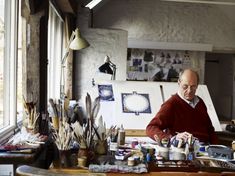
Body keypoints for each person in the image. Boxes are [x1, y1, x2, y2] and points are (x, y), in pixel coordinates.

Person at [146, 69, 218, 145]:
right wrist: (172, 138)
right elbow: (151, 128)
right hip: (184, 149)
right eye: (185, 86)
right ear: (179, 83)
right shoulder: (171, 104)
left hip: (205, 148)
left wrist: (216, 147)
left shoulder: (200, 103)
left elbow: (210, 129)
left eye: (193, 87)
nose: (189, 91)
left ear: (197, 85)